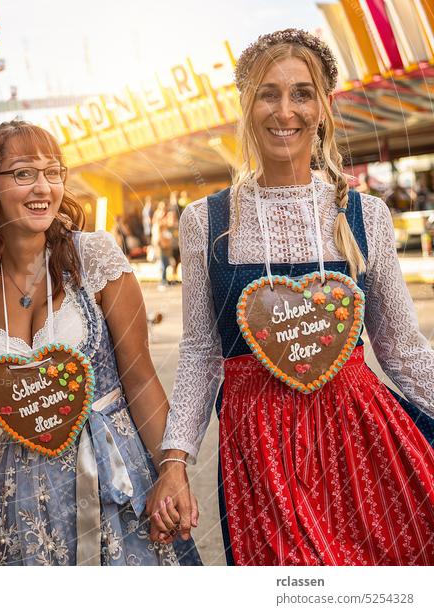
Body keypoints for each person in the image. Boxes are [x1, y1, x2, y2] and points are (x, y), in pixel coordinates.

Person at [151, 29, 434, 565]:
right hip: (260, 455)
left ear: (324, 107)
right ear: (246, 106)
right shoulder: (206, 222)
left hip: (361, 444)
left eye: (302, 93)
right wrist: (175, 459)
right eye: (268, 93)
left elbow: (402, 349)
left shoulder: (364, 214)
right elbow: (199, 355)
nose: (286, 111)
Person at [0, 120, 202, 566]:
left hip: (118, 476)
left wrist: (172, 471)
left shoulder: (95, 257)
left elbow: (140, 380)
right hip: (22, 496)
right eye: (24, 173)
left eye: (53, 171)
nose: (43, 186)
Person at [151, 201, 173, 290]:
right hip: (161, 245)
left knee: (166, 263)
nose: (164, 210)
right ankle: (163, 281)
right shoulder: (158, 219)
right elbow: (157, 234)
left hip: (165, 244)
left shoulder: (163, 219)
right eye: (163, 208)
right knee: (163, 263)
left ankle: (164, 280)